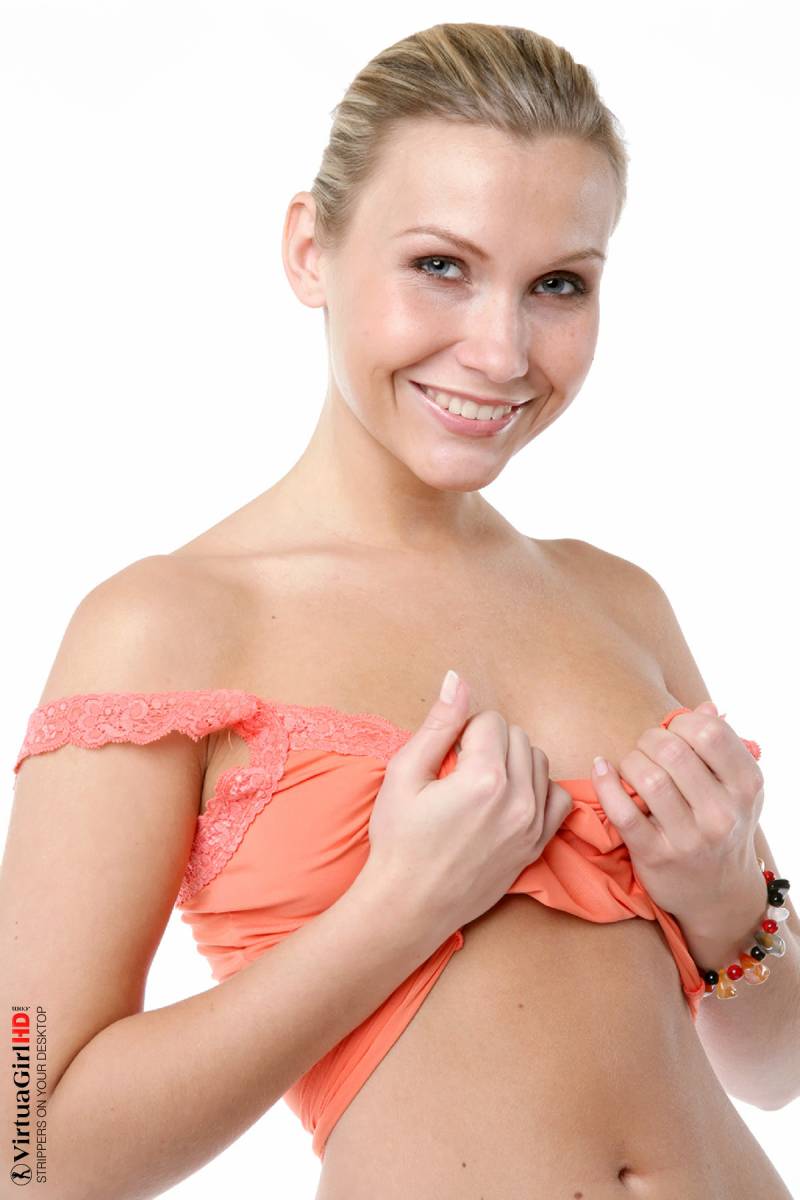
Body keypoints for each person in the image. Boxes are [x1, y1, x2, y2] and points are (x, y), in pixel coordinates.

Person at [2, 21, 796, 1200]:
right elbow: (25, 1151)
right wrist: (396, 908)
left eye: (558, 285)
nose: (499, 350)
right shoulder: (166, 624)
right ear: (309, 250)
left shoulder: (617, 597)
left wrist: (732, 903)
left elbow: (773, 1067)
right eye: (439, 266)